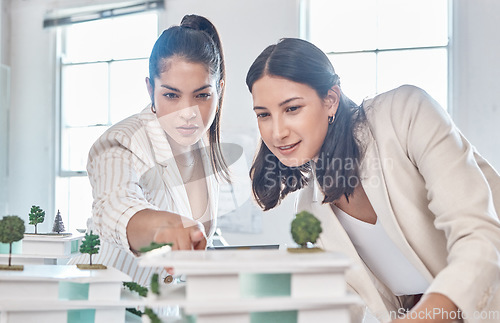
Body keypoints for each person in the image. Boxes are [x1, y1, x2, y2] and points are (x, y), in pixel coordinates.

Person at [246, 38, 500, 323]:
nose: (277, 132)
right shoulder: (311, 209)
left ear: (330, 100)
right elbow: (341, 307)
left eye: (292, 108)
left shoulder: (404, 114)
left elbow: (481, 235)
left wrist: (425, 316)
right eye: (264, 115)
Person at [70, 14, 229, 285]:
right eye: (171, 95)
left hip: (160, 306)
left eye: (202, 95)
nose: (187, 113)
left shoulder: (204, 147)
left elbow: (200, 237)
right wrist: (162, 227)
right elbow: (114, 205)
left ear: (219, 90)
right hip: (101, 300)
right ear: (150, 89)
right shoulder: (121, 141)